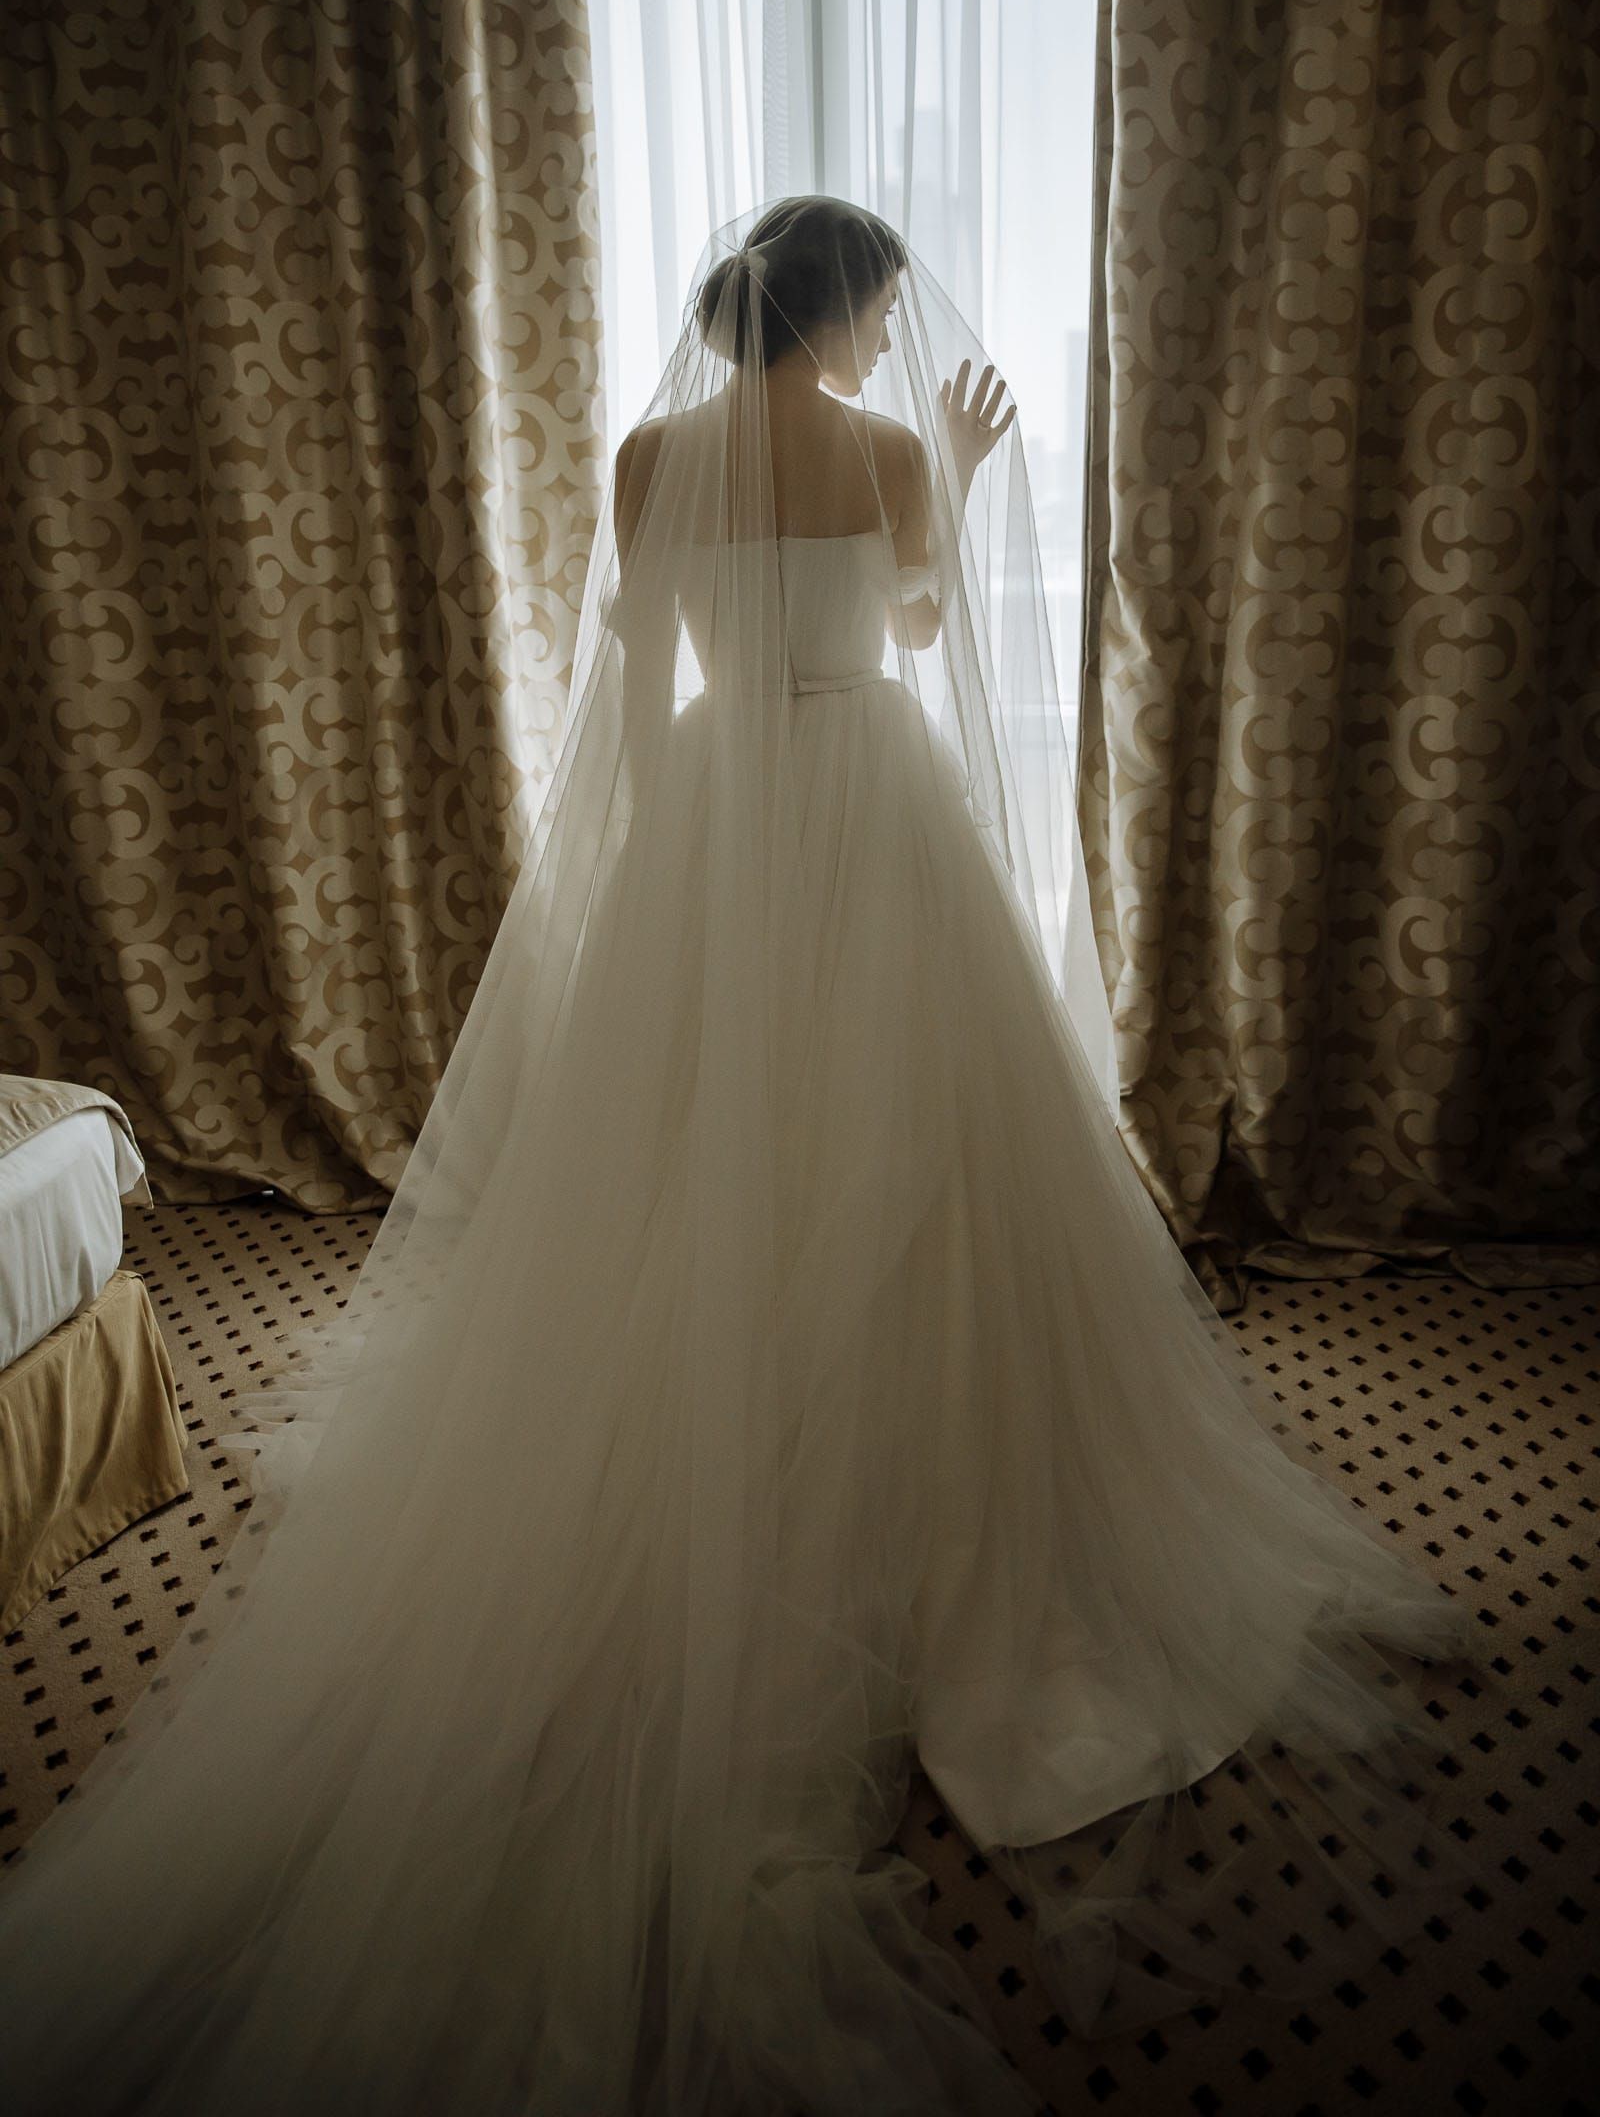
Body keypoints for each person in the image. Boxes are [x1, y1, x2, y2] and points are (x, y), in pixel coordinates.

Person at [0, 195, 1489, 2115]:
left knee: (699, 1169)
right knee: (921, 1161)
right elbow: (929, 629)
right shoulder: (880, 447)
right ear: (851, 307)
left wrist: (628, 900)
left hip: (715, 813)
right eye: (879, 308)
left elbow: (635, 675)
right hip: (871, 805)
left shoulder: (647, 453)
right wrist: (944, 466)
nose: (887, 337)